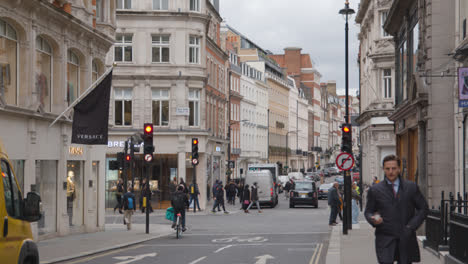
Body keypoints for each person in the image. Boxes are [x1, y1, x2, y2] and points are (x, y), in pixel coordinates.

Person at [365, 155, 428, 264]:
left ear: (399, 169)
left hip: (406, 237)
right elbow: (368, 211)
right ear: (383, 169)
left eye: (394, 168)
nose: (391, 172)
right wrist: (373, 219)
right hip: (385, 238)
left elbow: (423, 209)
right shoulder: (375, 190)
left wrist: (411, 226)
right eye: (387, 169)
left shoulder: (411, 187)